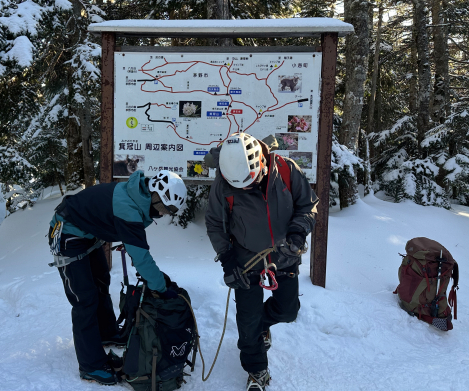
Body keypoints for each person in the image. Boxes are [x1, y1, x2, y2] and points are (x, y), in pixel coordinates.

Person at [48, 170, 187, 386]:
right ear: (156, 196)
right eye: (164, 208)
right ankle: (90, 365)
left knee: (101, 283)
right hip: (67, 231)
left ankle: (106, 333)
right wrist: (160, 287)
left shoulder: (138, 196)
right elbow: (141, 257)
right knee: (84, 299)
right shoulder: (129, 208)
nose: (163, 214)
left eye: (168, 211)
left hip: (88, 233)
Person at [204, 133, 318, 390]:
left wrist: (298, 233)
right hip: (245, 258)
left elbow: (307, 205)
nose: (245, 189)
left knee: (288, 311)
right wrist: (227, 260)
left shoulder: (286, 170)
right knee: (247, 321)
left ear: (261, 164)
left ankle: (261, 327)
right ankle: (256, 370)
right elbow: (215, 223)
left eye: (249, 183)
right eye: (239, 187)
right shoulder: (224, 181)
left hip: (284, 254)